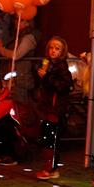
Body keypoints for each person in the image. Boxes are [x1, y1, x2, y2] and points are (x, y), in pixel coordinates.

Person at [0, 15, 37, 136]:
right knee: (11, 111)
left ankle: (26, 137)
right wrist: (0, 48)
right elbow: (6, 54)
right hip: (10, 78)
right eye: (16, 20)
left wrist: (1, 49)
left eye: (22, 20)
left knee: (22, 111)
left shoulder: (28, 38)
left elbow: (16, 55)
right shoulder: (14, 37)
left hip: (21, 79)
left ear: (28, 23)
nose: (18, 22)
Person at [34, 36, 73, 179]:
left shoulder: (62, 67)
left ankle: (52, 169)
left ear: (62, 51)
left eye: (57, 48)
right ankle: (49, 167)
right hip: (47, 106)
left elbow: (63, 86)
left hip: (55, 108)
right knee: (47, 137)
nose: (53, 51)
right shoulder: (49, 64)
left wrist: (47, 77)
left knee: (52, 139)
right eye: (51, 47)